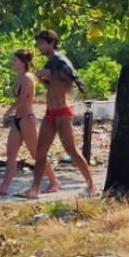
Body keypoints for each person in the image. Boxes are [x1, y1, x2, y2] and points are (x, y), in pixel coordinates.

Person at [25, 29, 95, 198]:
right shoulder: (50, 63)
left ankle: (91, 186)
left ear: (51, 43)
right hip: (50, 112)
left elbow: (65, 87)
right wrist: (44, 78)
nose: (40, 47)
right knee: (40, 152)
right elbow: (51, 87)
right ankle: (34, 189)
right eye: (38, 43)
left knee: (71, 150)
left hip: (63, 112)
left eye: (42, 43)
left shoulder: (60, 61)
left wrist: (49, 76)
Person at [0, 49, 60, 197]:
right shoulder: (19, 77)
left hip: (27, 119)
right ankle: (4, 187)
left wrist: (8, 111)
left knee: (36, 154)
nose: (12, 63)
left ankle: (54, 182)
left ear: (23, 62)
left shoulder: (28, 77)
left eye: (15, 60)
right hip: (17, 120)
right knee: (11, 154)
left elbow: (22, 99)